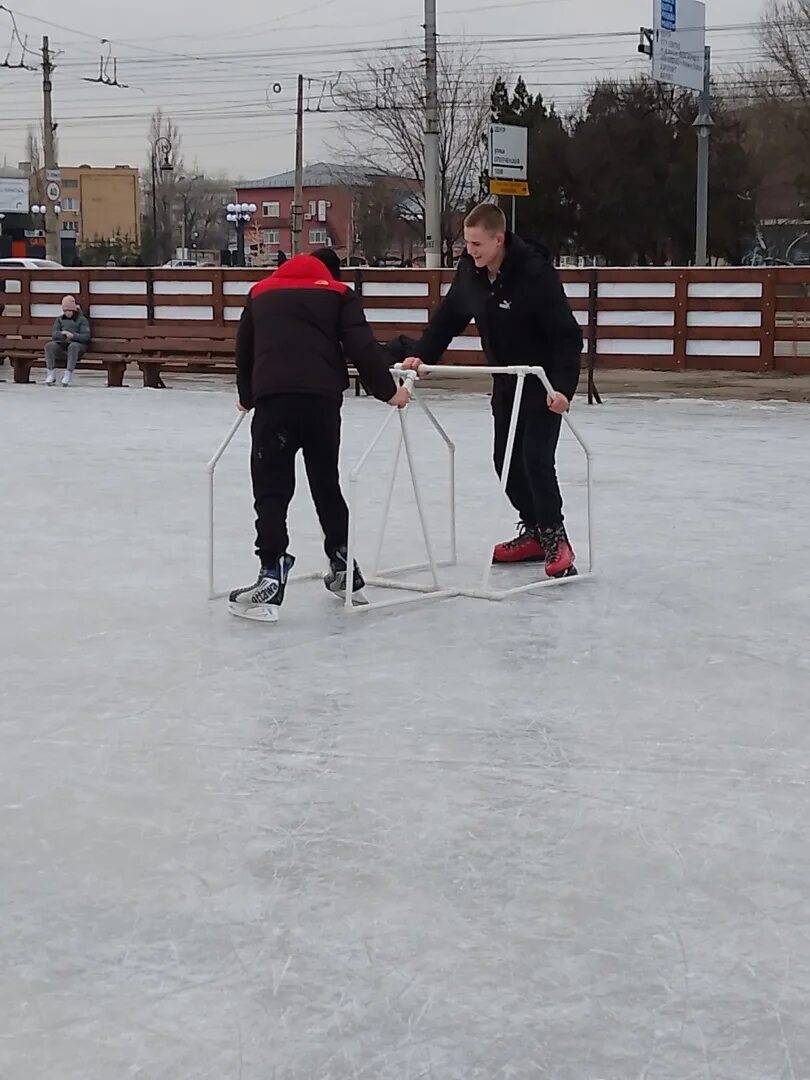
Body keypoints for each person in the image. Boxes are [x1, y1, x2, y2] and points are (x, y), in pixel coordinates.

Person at [396, 202, 583, 578]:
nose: (471, 250)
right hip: (505, 382)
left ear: (499, 239)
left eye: (477, 244)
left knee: (535, 459)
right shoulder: (471, 273)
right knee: (505, 461)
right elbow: (448, 319)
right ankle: (533, 530)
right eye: (467, 243)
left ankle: (556, 538)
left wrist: (563, 388)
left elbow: (567, 336)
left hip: (542, 383)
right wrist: (420, 356)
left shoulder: (534, 274)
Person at [229, 247, 411, 622]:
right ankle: (344, 564)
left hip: (274, 401)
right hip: (322, 403)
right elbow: (361, 346)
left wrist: (247, 397)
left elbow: (244, 349)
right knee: (325, 482)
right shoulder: (340, 295)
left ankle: (271, 571)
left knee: (271, 488)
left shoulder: (260, 292)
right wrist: (389, 392)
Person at [45, 295, 91, 387]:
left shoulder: (82, 320)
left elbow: (86, 337)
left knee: (73, 347)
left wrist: (73, 336)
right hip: (62, 343)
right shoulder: (59, 319)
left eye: (70, 311)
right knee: (49, 346)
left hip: (77, 345)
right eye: (66, 311)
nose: (68, 313)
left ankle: (68, 373)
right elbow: (54, 334)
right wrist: (62, 334)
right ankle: (51, 372)